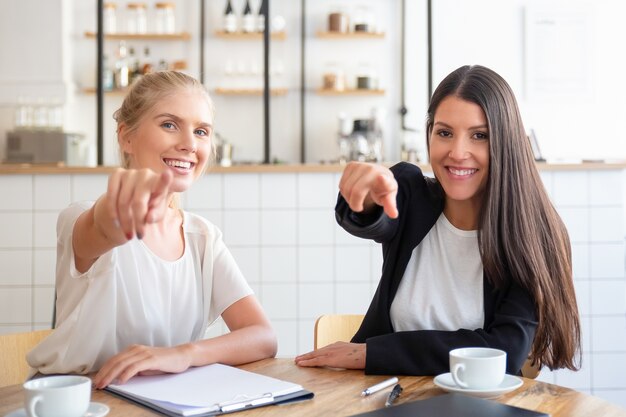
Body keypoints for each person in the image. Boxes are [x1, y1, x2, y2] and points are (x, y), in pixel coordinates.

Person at [295, 65, 581, 376]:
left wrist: (371, 353)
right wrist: (364, 195)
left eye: (479, 136)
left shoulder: (534, 236)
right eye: (444, 133)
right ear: (429, 134)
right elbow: (370, 215)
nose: (458, 152)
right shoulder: (411, 194)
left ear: (506, 142)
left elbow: (503, 353)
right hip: (386, 397)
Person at [28, 71, 277, 388]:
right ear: (126, 137)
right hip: (80, 400)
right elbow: (104, 228)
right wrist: (117, 212)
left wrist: (182, 354)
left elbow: (263, 336)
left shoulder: (203, 238)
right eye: (169, 125)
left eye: (201, 131)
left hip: (160, 399)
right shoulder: (79, 217)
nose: (189, 144)